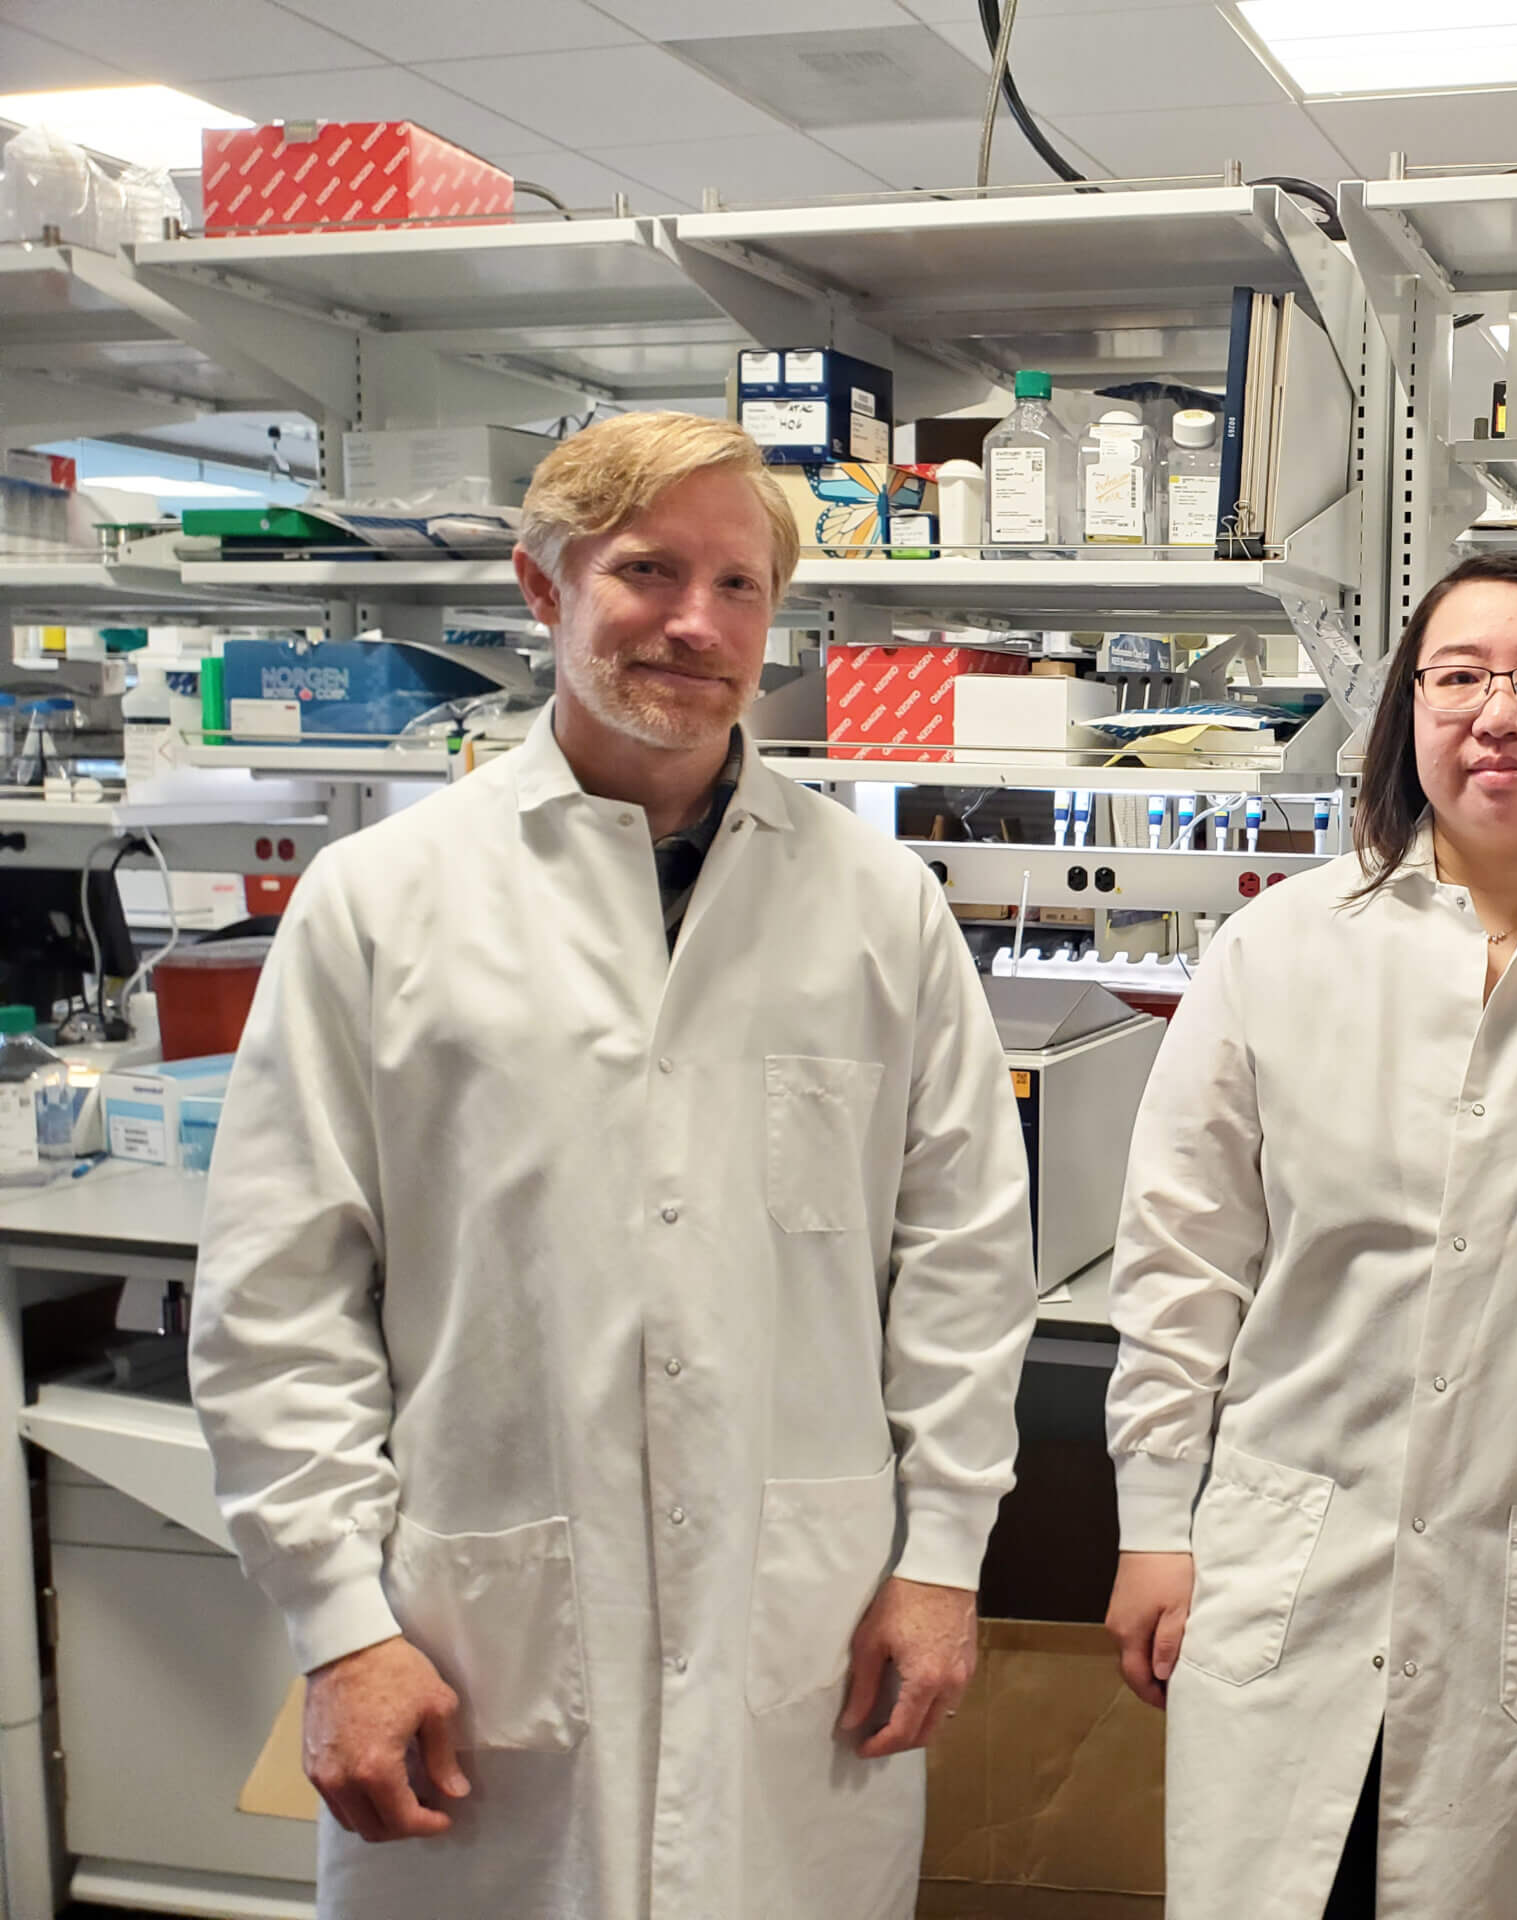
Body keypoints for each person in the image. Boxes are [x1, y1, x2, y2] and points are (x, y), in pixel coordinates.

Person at [189, 412, 1036, 1920]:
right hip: (476, 1631)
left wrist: (946, 1556)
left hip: (804, 1621)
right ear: (544, 587)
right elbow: (276, 1300)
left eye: (740, 585)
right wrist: (337, 1623)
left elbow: (964, 1263)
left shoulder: (879, 907)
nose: (696, 623)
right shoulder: (381, 904)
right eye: (647, 571)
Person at [1102, 548, 1517, 1919]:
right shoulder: (1282, 950)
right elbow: (1183, 1260)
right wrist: (1150, 1527)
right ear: (1407, 714)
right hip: (1291, 1573)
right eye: (1459, 676)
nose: (1501, 711)